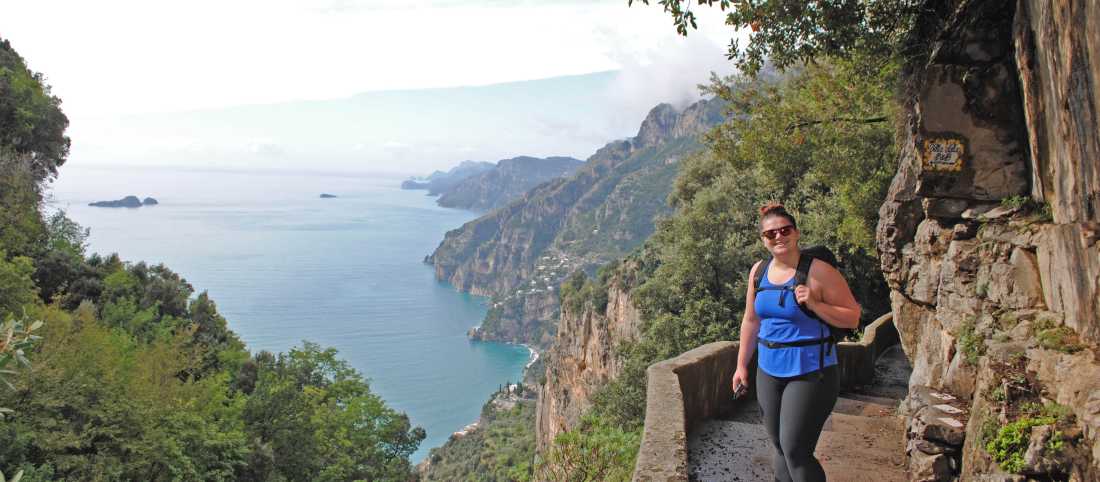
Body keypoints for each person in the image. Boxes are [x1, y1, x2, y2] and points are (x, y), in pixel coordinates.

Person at [730, 203, 861, 482]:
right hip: (768, 370)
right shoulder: (758, 272)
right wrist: (741, 366)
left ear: (796, 232)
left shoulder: (819, 272)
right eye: (770, 234)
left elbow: (852, 317)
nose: (778, 237)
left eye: (784, 230)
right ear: (763, 240)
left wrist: (815, 304)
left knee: (796, 450)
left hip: (811, 371)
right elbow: (751, 321)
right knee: (778, 445)